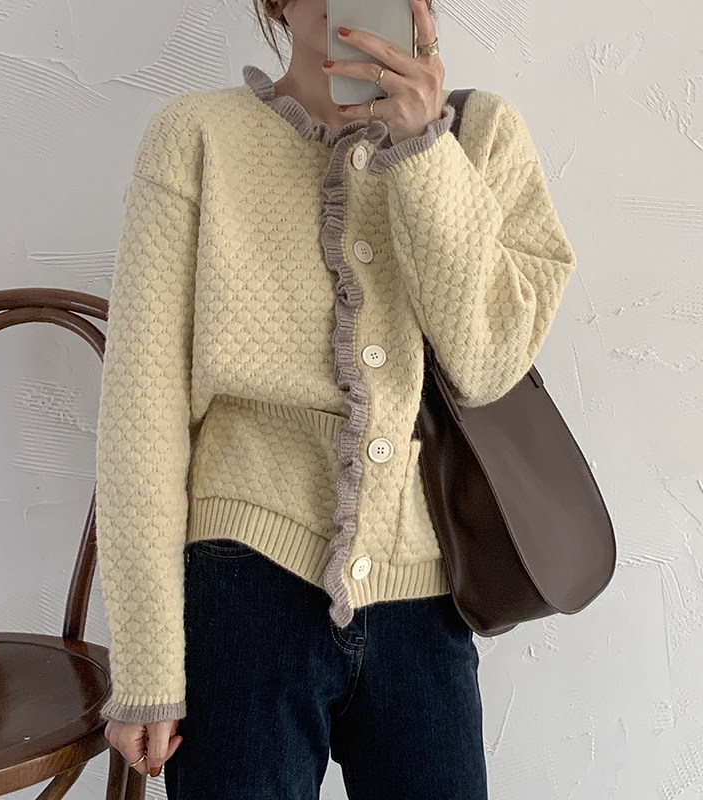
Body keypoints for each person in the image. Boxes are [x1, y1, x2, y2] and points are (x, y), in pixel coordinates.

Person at [96, 0, 578, 796]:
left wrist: (422, 149)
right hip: (240, 590)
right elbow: (139, 417)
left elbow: (489, 361)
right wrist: (147, 663)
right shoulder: (195, 136)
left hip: (427, 595)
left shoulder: (483, 136)